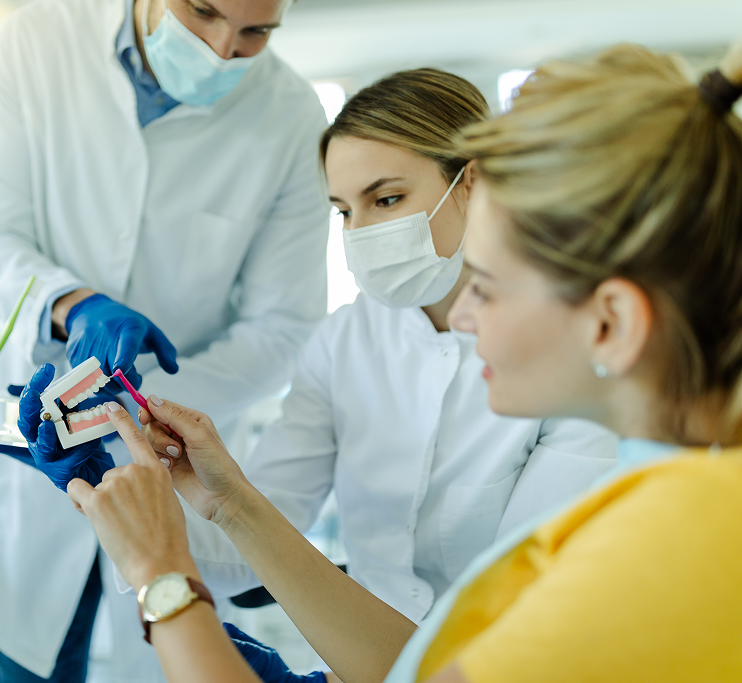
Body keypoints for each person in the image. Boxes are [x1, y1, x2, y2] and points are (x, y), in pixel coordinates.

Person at [51, 40, 742, 683]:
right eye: (343, 210)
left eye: (491, 285)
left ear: (612, 322)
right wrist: (219, 503)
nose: (467, 315)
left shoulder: (668, 533)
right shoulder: (673, 490)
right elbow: (425, 660)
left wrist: (164, 582)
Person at [0, 0, 331, 680]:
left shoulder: (290, 118)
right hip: (30, 471)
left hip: (166, 466)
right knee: (30, 654)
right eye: (202, 10)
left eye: (257, 30)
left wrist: (122, 406)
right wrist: (71, 302)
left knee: (172, 646)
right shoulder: (37, 44)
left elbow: (284, 327)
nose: (222, 47)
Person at [170, 69, 615, 622]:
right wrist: (127, 492)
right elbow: (258, 533)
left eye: (386, 199)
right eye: (344, 211)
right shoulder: (342, 344)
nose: (360, 232)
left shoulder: (573, 350)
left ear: (472, 183)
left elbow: (531, 591)